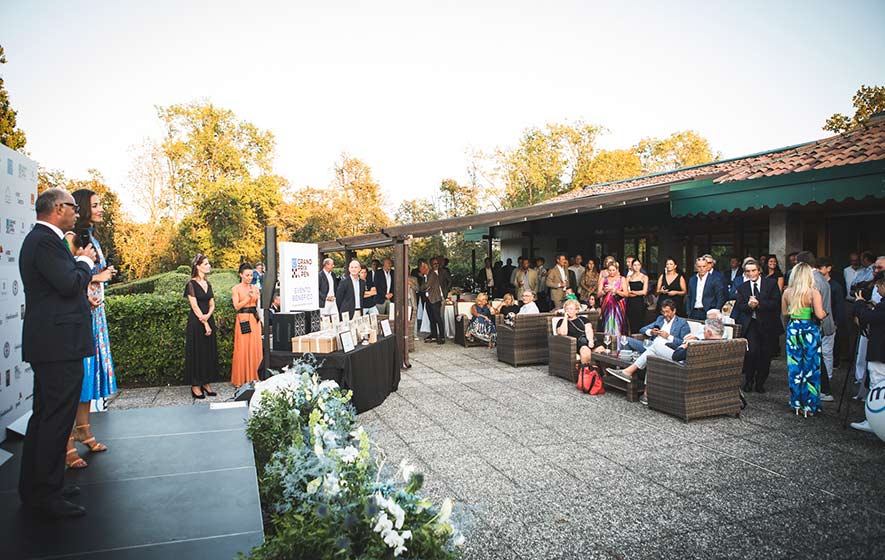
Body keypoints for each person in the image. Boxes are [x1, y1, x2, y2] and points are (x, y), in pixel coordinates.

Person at [19, 187, 96, 519]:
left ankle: (38, 488)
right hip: (57, 345)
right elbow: (68, 284)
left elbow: (60, 288)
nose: (77, 213)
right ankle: (46, 495)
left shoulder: (43, 240)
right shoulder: (45, 241)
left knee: (45, 417)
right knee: (54, 420)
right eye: (73, 207)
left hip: (53, 344)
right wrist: (84, 261)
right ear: (57, 208)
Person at [62, 189, 117, 470]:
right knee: (78, 377)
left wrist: (101, 277)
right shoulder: (70, 238)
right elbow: (67, 278)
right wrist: (98, 277)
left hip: (96, 315)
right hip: (80, 316)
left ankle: (84, 429)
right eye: (95, 205)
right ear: (82, 207)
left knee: (90, 375)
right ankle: (67, 442)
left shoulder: (91, 238)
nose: (100, 209)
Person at [607, 319, 725, 400]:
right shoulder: (727, 344)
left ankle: (630, 373)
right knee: (653, 351)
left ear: (709, 332)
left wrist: (685, 344)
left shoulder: (699, 345)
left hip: (682, 368)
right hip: (701, 373)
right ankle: (645, 392)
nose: (703, 333)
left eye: (704, 331)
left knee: (655, 348)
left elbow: (677, 356)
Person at [782, 262, 828, 417]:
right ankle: (810, 405)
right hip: (809, 330)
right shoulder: (813, 292)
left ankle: (796, 403)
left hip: (793, 328)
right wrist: (825, 313)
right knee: (811, 367)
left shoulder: (787, 292)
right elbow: (820, 314)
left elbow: (785, 313)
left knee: (795, 367)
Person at [733, 259, 783, 393]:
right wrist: (749, 306)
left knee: (765, 355)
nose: (751, 273)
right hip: (752, 324)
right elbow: (740, 306)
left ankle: (760, 383)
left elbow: (776, 303)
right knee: (752, 353)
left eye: (753, 270)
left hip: (767, 324)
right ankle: (749, 380)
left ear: (759, 270)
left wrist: (759, 304)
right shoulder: (742, 287)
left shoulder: (771, 284)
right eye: (748, 271)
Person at [850, 276, 885, 432]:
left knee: (876, 384)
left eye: (879, 286)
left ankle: (874, 420)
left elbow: (866, 317)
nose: (877, 289)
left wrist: (859, 303)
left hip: (880, 351)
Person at [184, 254, 218, 400]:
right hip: (196, 322)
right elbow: (194, 306)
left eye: (208, 263)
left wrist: (208, 316)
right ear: (198, 266)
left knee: (208, 352)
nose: (208, 266)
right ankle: (195, 385)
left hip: (208, 319)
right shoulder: (191, 284)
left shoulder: (208, 284)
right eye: (205, 264)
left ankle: (206, 382)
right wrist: (204, 323)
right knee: (197, 352)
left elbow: (212, 304)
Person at [620, 299, 691, 359]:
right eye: (663, 312)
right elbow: (642, 329)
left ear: (674, 311)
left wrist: (668, 337)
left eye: (667, 312)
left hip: (665, 350)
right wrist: (651, 332)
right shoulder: (660, 319)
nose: (665, 314)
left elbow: (684, 343)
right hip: (650, 346)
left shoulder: (682, 323)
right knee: (626, 340)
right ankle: (625, 364)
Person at [231, 263, 262, 387]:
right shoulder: (236, 288)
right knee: (242, 347)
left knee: (254, 347)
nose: (249, 277)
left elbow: (258, 305)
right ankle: (241, 378)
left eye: (251, 275)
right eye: (247, 275)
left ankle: (255, 376)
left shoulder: (255, 288)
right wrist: (248, 298)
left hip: (254, 319)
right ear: (241, 275)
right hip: (243, 319)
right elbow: (236, 306)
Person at [555, 298, 595, 371]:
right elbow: (563, 333)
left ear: (576, 310)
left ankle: (605, 375)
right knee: (585, 349)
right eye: (567, 309)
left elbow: (589, 330)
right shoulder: (561, 321)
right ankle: (586, 374)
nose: (568, 310)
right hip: (575, 343)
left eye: (571, 309)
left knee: (601, 349)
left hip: (588, 339)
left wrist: (591, 340)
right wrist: (565, 318)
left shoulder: (583, 319)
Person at [598, 261, 628, 348]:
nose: (611, 272)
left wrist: (615, 290)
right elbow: (598, 294)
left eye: (613, 270)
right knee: (607, 326)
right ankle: (608, 346)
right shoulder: (603, 279)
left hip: (618, 306)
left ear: (617, 270)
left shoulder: (622, 279)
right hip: (607, 306)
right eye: (610, 270)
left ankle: (618, 347)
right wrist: (604, 291)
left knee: (618, 326)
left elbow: (626, 294)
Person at [422, 258, 446, 343]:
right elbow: (425, 286)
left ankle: (442, 337)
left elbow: (426, 286)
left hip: (435, 299)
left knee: (437, 318)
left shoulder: (432, 274)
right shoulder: (426, 275)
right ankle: (434, 335)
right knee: (431, 318)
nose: (421, 270)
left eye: (422, 268)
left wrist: (421, 287)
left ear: (426, 267)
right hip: (429, 299)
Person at [625, 258, 649, 333]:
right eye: (634, 265)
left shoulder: (644, 277)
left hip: (639, 303)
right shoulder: (628, 278)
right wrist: (634, 293)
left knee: (640, 323)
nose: (636, 267)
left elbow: (644, 292)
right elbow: (626, 292)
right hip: (630, 303)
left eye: (638, 265)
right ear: (632, 266)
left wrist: (633, 292)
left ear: (640, 266)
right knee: (631, 323)